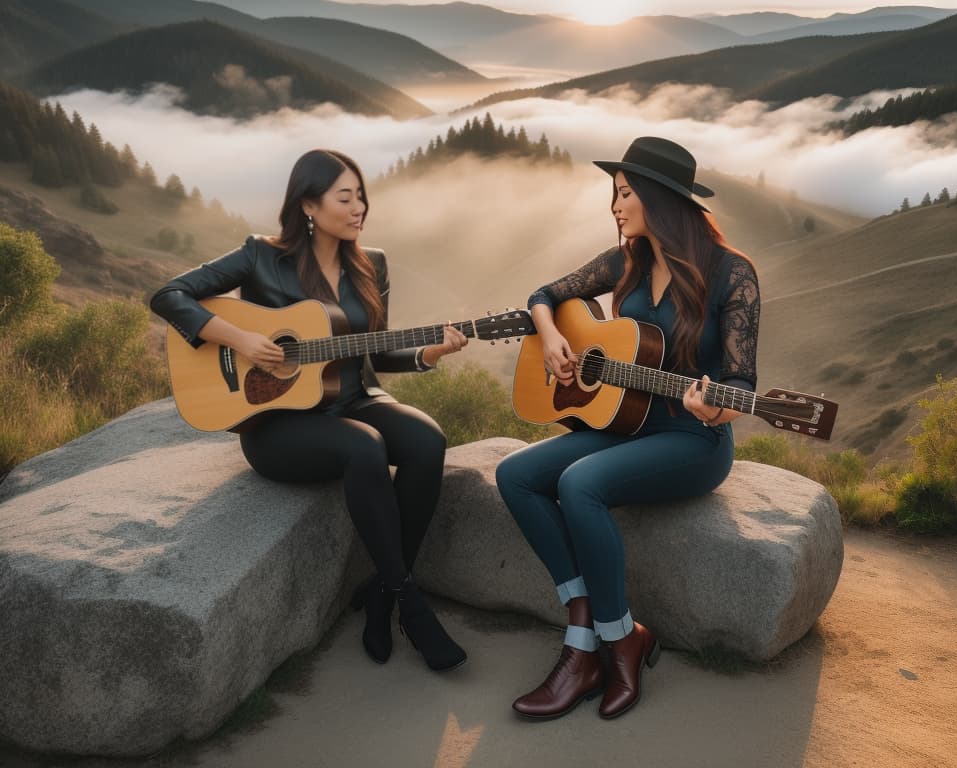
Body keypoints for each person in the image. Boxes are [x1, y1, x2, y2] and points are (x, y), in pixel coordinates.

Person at [150, 149, 469, 672]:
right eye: (346, 196)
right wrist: (245, 342)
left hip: (353, 399)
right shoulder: (259, 256)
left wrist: (430, 352)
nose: (359, 206)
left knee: (427, 440)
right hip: (277, 423)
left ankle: (386, 592)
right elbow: (170, 294)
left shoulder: (373, 263)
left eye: (361, 194)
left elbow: (376, 351)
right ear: (308, 206)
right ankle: (411, 604)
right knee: (363, 447)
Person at [496, 137, 760, 719]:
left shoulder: (732, 275)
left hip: (693, 439)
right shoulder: (626, 261)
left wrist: (713, 408)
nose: (615, 206)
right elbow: (544, 296)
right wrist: (555, 339)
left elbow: (741, 386)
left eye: (624, 193)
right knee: (514, 474)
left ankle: (611, 643)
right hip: (628, 422)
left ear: (660, 199)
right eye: (614, 194)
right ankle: (590, 620)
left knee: (579, 485)